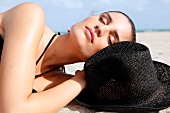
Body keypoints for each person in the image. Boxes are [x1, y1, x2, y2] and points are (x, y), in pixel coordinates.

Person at [0, 2, 136, 113]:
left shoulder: (64, 84)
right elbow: (13, 110)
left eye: (111, 39)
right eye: (102, 19)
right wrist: (80, 80)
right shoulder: (30, 15)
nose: (100, 28)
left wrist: (81, 80)